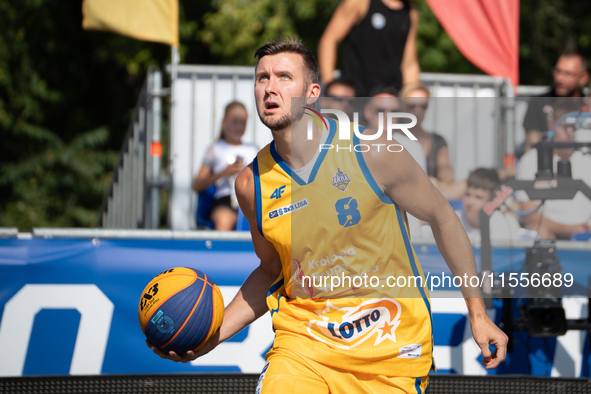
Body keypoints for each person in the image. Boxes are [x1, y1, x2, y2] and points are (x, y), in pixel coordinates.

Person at [149, 38, 507, 392]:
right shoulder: (251, 184)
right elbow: (273, 272)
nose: (270, 88)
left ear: (312, 92)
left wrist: (477, 312)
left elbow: (443, 218)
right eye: (262, 78)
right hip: (305, 349)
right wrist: (212, 337)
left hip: (390, 352)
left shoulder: (374, 151)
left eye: (284, 77)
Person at [516, 98, 591, 240]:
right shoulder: (531, 160)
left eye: (575, 128)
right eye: (566, 127)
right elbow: (529, 214)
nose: (570, 134)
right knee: (537, 232)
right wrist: (572, 229)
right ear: (551, 124)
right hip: (547, 234)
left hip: (586, 233)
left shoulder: (587, 159)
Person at [318, 0, 420, 96]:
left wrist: (413, 100)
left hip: (388, 100)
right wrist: (329, 87)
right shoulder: (361, 2)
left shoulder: (411, 12)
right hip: (355, 96)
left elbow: (409, 64)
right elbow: (329, 41)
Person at [192, 101, 258, 230]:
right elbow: (197, 185)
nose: (239, 127)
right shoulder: (214, 149)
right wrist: (224, 172)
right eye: (235, 122)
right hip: (225, 200)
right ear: (224, 122)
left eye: (242, 122)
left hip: (252, 200)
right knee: (224, 219)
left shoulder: (254, 149)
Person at [519, 52, 589, 159]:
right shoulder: (539, 102)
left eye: (568, 74)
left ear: (583, 78)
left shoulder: (587, 104)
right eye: (558, 71)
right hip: (547, 165)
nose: (560, 78)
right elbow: (531, 148)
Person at [363, 90, 427, 173]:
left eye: (394, 112)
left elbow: (420, 185)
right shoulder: (349, 143)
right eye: (381, 110)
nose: (387, 116)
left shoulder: (413, 148)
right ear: (367, 111)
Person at [458, 168, 522, 242]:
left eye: (479, 197)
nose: (470, 202)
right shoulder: (451, 221)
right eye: (467, 195)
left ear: (494, 199)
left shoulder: (508, 225)